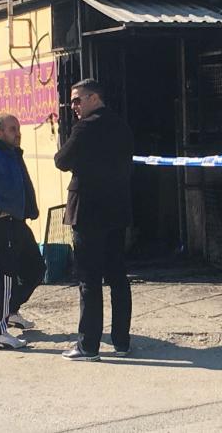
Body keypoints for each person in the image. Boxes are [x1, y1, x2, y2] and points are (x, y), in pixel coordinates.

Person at [55, 79, 134, 361]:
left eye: (78, 100)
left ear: (94, 98)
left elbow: (61, 160)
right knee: (118, 277)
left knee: (89, 278)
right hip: (116, 209)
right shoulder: (122, 126)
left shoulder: (85, 128)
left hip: (88, 211)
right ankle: (122, 342)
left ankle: (88, 345)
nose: (73, 106)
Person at [0, 113, 46, 350]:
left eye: (18, 128)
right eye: (12, 129)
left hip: (18, 223)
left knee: (36, 269)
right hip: (2, 224)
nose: (18, 133)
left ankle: (11, 311)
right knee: (4, 276)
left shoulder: (11, 153)